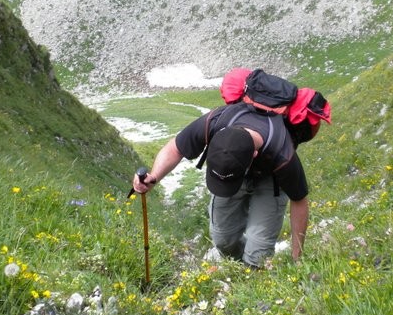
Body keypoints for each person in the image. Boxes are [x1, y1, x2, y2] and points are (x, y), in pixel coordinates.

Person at [131, 101, 310, 268]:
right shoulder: (214, 123)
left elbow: (300, 202)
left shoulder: (282, 154)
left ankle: (253, 277)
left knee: (258, 252)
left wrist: (297, 260)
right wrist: (153, 177)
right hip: (233, 172)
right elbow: (175, 148)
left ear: (253, 155)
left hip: (270, 179)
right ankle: (239, 269)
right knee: (223, 240)